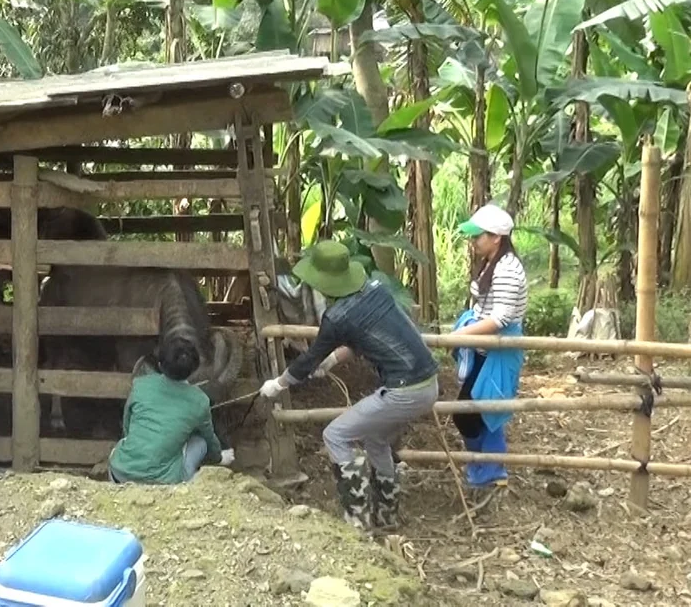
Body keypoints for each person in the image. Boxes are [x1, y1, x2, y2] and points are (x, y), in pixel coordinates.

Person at [258, 241, 438, 532]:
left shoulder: (337, 317)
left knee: (335, 435)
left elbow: (306, 361)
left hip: (403, 390)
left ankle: (357, 523)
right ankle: (386, 518)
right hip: (427, 384)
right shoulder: (376, 290)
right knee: (376, 441)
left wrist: (277, 385)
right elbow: (364, 338)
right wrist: (332, 360)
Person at [451, 204, 527, 502]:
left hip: (499, 349)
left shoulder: (507, 268)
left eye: (478, 236)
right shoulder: (492, 261)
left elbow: (501, 318)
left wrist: (458, 335)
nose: (474, 241)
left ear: (496, 237)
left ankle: (492, 469)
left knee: (482, 410)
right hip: (485, 348)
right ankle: (482, 464)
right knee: (474, 411)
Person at [107, 337, 232, 485]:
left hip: (119, 474)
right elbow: (209, 438)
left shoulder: (140, 384)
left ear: (159, 364)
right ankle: (187, 481)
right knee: (200, 441)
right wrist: (220, 457)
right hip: (162, 484)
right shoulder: (200, 400)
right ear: (194, 368)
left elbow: (127, 422)